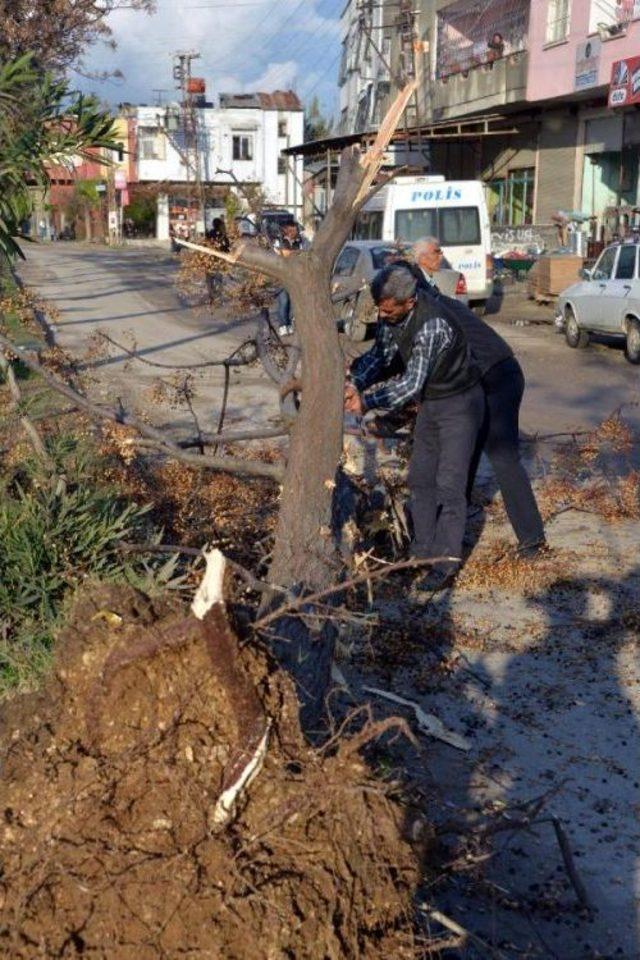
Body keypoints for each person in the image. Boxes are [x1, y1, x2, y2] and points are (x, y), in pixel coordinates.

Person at [345, 265, 484, 589]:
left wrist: (366, 403)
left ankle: (444, 565)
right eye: (380, 307)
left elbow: (409, 385)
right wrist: (355, 383)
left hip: (460, 404)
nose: (382, 314)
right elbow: (381, 356)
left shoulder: (432, 323)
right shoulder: (392, 314)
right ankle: (419, 554)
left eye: (388, 309)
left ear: (409, 302)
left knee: (450, 486)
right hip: (432, 403)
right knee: (420, 480)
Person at [409, 240, 546, 557]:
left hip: (498, 378)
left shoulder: (433, 316)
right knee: (463, 456)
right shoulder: (434, 304)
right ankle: (452, 533)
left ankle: (532, 541)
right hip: (488, 376)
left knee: (502, 457)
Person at [273, 220, 309, 335]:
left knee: (293, 302)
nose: (295, 231)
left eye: (296, 229)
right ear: (286, 230)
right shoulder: (278, 241)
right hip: (281, 276)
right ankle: (283, 325)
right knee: (284, 301)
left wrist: (293, 253)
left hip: (295, 276)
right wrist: (295, 253)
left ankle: (289, 323)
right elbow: (281, 253)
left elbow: (305, 254)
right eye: (292, 229)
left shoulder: (301, 241)